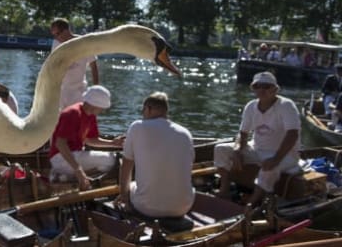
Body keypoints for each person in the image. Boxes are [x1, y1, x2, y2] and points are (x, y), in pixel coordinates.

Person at [213, 71, 301, 207]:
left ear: (275, 89)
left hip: (285, 155)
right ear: (253, 89)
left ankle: (252, 201)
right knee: (220, 149)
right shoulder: (250, 106)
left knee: (269, 166)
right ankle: (224, 189)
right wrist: (238, 149)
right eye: (257, 86)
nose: (261, 90)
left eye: (266, 86)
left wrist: (276, 159)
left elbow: (293, 134)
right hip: (256, 149)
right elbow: (243, 133)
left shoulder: (286, 105)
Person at [116, 92, 194, 218]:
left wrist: (124, 196)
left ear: (149, 109)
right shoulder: (186, 134)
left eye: (143, 110)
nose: (142, 113)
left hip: (147, 207)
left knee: (131, 185)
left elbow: (126, 166)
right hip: (183, 207)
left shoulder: (137, 127)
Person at [48, 85, 123, 190]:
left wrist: (113, 143)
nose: (102, 110)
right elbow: (60, 144)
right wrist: (78, 170)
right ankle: (73, 175)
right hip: (60, 159)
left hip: (74, 156)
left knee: (110, 160)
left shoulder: (90, 115)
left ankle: (67, 177)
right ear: (95, 105)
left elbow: (91, 140)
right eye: (102, 107)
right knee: (112, 160)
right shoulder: (72, 113)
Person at [49, 18, 99, 109]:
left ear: (66, 30)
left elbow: (94, 66)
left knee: (77, 120)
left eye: (58, 34)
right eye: (54, 35)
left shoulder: (84, 42)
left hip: (78, 92)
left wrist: (96, 90)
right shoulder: (56, 43)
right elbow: (53, 65)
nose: (56, 37)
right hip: (61, 91)